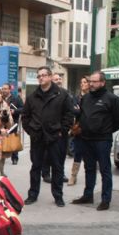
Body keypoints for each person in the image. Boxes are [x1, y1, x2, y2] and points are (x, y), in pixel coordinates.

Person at [70, 71, 119, 211]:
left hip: (102, 140)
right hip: (86, 139)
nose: (91, 84)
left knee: (105, 170)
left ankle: (106, 200)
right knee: (89, 168)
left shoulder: (112, 99)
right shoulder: (86, 98)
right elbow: (82, 115)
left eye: (94, 82)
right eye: (90, 82)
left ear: (102, 82)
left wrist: (105, 130)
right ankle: (88, 195)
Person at [21, 67, 74, 207]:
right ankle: (32, 195)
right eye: (39, 76)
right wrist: (31, 131)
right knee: (36, 167)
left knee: (57, 167)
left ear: (50, 77)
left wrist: (62, 130)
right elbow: (25, 117)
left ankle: (58, 196)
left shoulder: (62, 94)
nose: (41, 78)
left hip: (56, 137)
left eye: (44, 75)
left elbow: (69, 115)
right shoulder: (32, 97)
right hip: (37, 137)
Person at [42, 73, 71, 183]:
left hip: (61, 131)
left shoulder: (65, 93)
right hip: (48, 131)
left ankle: (60, 173)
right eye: (56, 79)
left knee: (61, 153)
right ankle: (46, 173)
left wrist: (64, 129)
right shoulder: (45, 94)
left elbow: (70, 111)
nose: (59, 81)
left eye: (60, 79)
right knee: (47, 154)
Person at [68, 75, 90, 186]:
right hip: (78, 129)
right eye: (81, 82)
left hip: (90, 130)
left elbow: (89, 113)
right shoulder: (76, 98)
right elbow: (73, 111)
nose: (82, 84)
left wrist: (80, 110)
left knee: (89, 156)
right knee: (77, 153)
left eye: (85, 82)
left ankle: (89, 177)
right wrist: (80, 111)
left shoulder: (92, 97)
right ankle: (73, 176)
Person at [1, 83, 24, 165]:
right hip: (2, 122)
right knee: (2, 139)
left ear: (10, 90)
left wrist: (14, 111)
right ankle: (3, 155)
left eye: (5, 89)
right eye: (3, 89)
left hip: (13, 122)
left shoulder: (16, 98)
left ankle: (14, 158)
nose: (4, 90)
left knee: (13, 139)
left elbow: (23, 108)